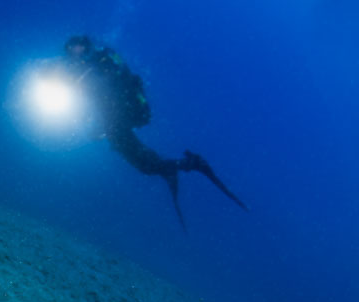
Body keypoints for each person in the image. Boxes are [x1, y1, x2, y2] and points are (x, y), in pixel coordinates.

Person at [64, 35, 247, 228]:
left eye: (76, 48)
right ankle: (175, 167)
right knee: (141, 163)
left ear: (85, 46)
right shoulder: (86, 67)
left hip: (122, 110)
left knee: (135, 155)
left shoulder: (101, 60)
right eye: (70, 50)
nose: (73, 53)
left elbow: (109, 86)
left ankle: (190, 164)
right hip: (116, 115)